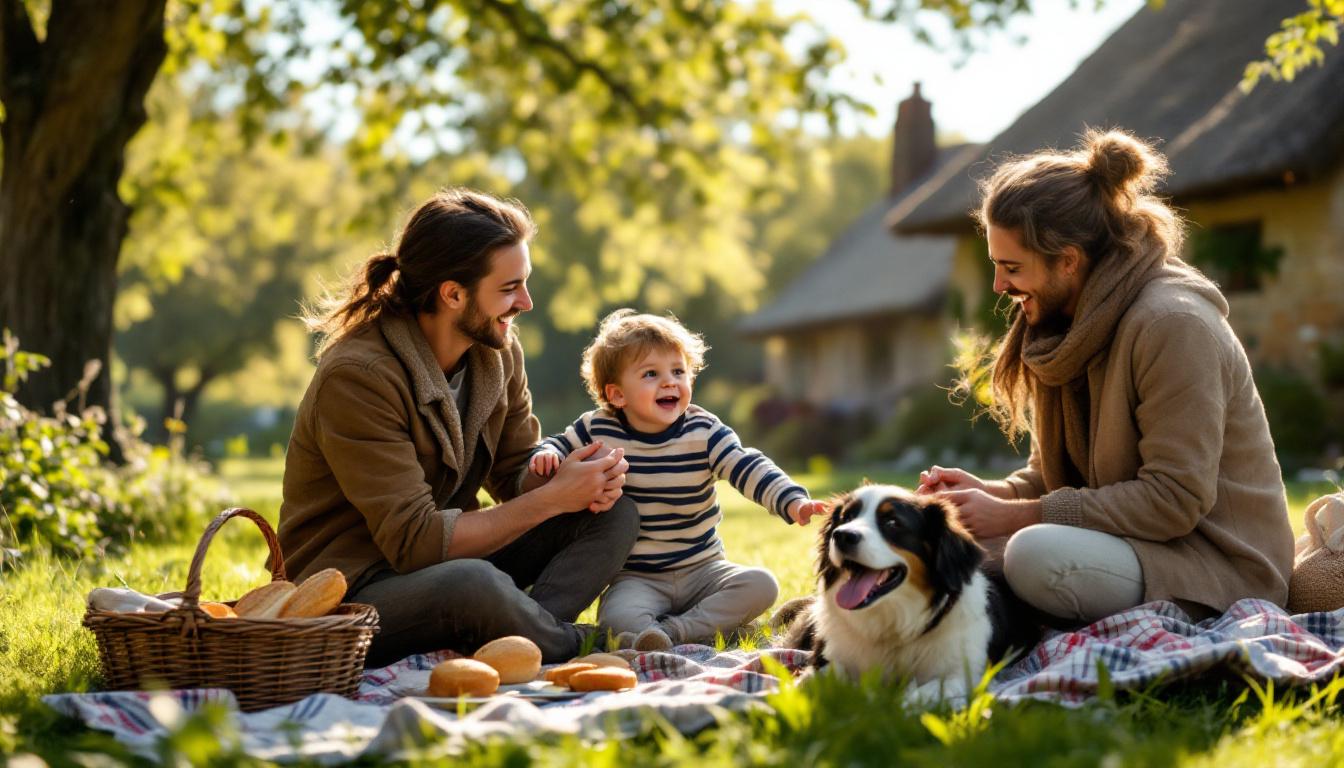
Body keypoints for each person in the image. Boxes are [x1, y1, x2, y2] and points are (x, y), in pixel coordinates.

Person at [918, 129, 1293, 624]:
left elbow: (1173, 500)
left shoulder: (1172, 325)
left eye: (1012, 267)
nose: (998, 286)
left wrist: (1016, 517)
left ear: (1068, 261)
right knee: (937, 541)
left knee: (1031, 555)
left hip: (1214, 567)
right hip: (1125, 547)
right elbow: (1046, 479)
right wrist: (990, 497)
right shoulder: (1063, 327)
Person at [277, 189, 639, 667]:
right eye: (509, 288)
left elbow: (513, 471)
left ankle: (517, 641)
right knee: (472, 585)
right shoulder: (358, 377)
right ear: (452, 294)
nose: (526, 303)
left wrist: (564, 477)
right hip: (354, 590)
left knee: (614, 515)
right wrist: (552, 499)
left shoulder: (498, 351)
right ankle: (582, 645)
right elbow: (415, 542)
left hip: (452, 562)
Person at [528, 309, 828, 651]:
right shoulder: (597, 429)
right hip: (637, 577)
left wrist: (790, 498)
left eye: (678, 371)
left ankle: (676, 632)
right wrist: (546, 454)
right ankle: (699, 631)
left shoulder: (704, 430)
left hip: (703, 568)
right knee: (617, 618)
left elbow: (746, 465)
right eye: (651, 374)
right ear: (617, 395)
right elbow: (557, 442)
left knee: (761, 585)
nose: (670, 381)